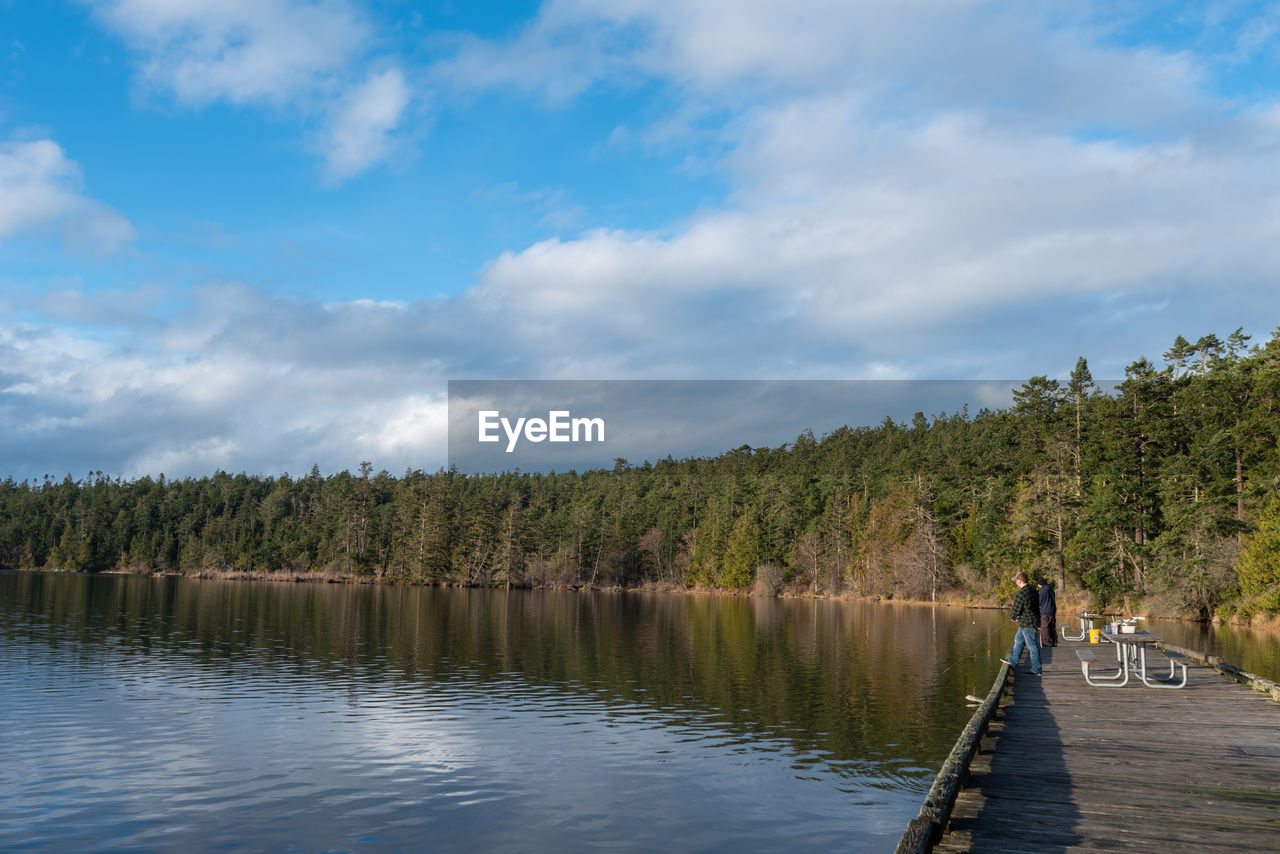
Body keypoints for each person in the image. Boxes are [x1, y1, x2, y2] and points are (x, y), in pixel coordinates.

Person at [1001, 571, 1042, 676]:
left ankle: (1037, 669)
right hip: (1030, 621)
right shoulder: (1034, 590)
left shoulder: (1021, 593)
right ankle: (1013, 661)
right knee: (1018, 640)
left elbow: (1016, 609)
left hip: (1028, 623)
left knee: (1032, 646)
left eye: (1016, 581)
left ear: (1019, 581)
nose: (1015, 583)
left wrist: (1013, 617)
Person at [1037, 576, 1057, 648]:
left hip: (1045, 611)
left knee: (1044, 627)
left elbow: (1039, 602)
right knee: (1052, 626)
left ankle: (1047, 642)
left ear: (1040, 584)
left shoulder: (1042, 591)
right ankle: (1054, 642)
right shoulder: (1051, 590)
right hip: (1052, 611)